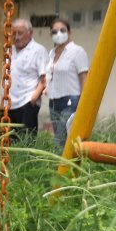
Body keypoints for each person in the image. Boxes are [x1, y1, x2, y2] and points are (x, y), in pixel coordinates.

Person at [46, 18, 89, 154]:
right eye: (54, 31)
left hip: (70, 101)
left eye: (62, 30)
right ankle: (63, 168)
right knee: (61, 141)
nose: (58, 34)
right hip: (53, 102)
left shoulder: (77, 51)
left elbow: (84, 77)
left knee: (60, 140)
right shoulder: (51, 53)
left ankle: (62, 170)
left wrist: (84, 101)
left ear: (70, 32)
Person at [7, 19, 47, 140]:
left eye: (20, 33)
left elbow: (44, 78)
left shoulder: (38, 50)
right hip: (8, 102)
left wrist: (33, 98)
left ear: (30, 33)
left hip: (26, 101)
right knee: (7, 140)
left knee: (26, 140)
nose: (16, 37)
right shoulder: (9, 50)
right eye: (14, 34)